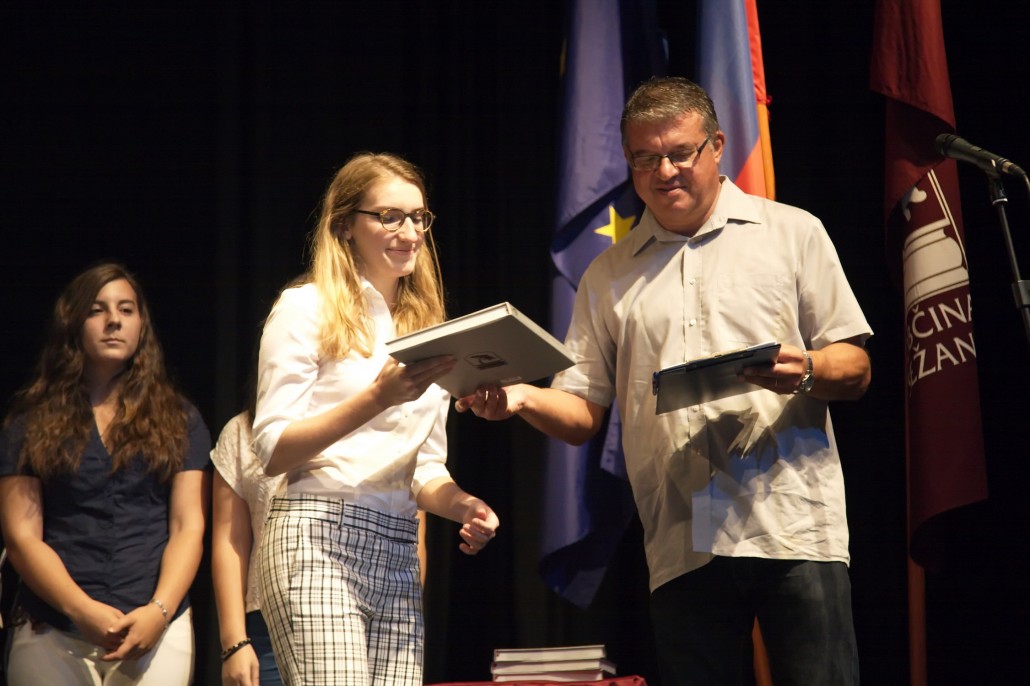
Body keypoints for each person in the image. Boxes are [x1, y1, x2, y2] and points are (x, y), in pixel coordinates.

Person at [457, 76, 872, 686]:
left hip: (792, 523)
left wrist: (806, 369)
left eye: (680, 153)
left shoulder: (792, 232)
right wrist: (521, 397)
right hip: (682, 537)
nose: (665, 171)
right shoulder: (608, 273)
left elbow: (856, 368)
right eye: (645, 159)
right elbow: (580, 413)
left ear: (717, 146)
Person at [253, 152, 499, 686]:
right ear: (345, 225)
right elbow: (271, 449)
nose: (409, 233)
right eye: (389, 216)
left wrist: (464, 505)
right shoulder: (305, 307)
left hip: (398, 550)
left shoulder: (427, 329)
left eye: (418, 217)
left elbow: (424, 468)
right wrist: (376, 398)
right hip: (318, 536)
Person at [0, 262, 211, 685]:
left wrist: (159, 611)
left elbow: (188, 527)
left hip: (153, 628)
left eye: (126, 309)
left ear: (141, 325)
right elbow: (22, 536)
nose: (114, 320)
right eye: (97, 310)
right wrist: (80, 609)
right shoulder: (30, 421)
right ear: (73, 323)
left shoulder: (179, 418)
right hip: (53, 628)